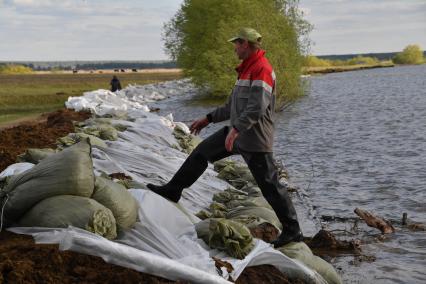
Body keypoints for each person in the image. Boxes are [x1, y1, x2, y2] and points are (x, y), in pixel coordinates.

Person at [147, 28, 303, 247]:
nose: (234, 48)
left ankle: (293, 230)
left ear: (246, 44)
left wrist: (236, 130)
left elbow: (257, 108)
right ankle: (173, 190)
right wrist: (208, 118)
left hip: (255, 138)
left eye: (236, 44)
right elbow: (232, 106)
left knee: (270, 185)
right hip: (236, 133)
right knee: (201, 153)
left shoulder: (262, 69)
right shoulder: (245, 70)